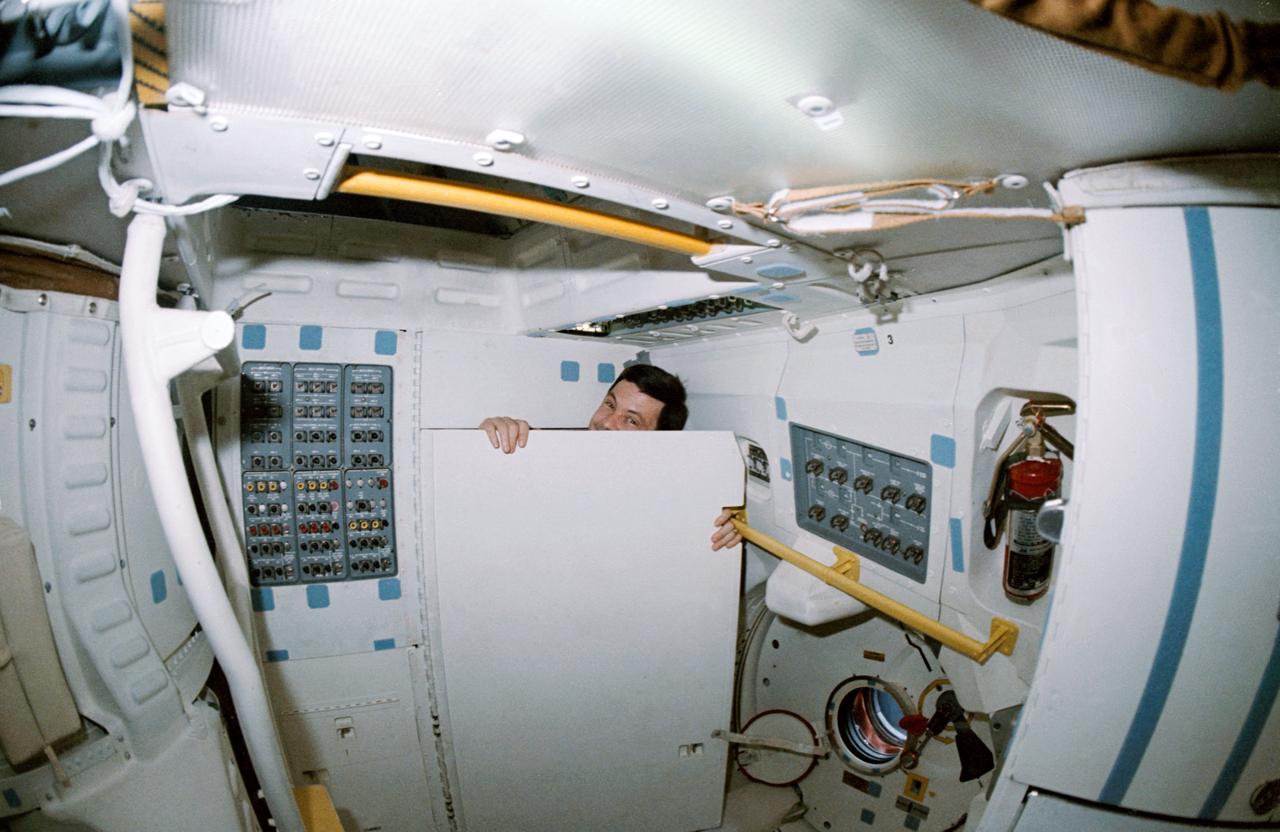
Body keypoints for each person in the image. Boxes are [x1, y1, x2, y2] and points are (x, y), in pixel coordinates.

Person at [479, 364, 743, 551]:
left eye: (631, 420)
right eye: (610, 404)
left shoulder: (663, 499)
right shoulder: (538, 450)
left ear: (658, 443)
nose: (606, 422)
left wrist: (722, 529)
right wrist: (489, 439)